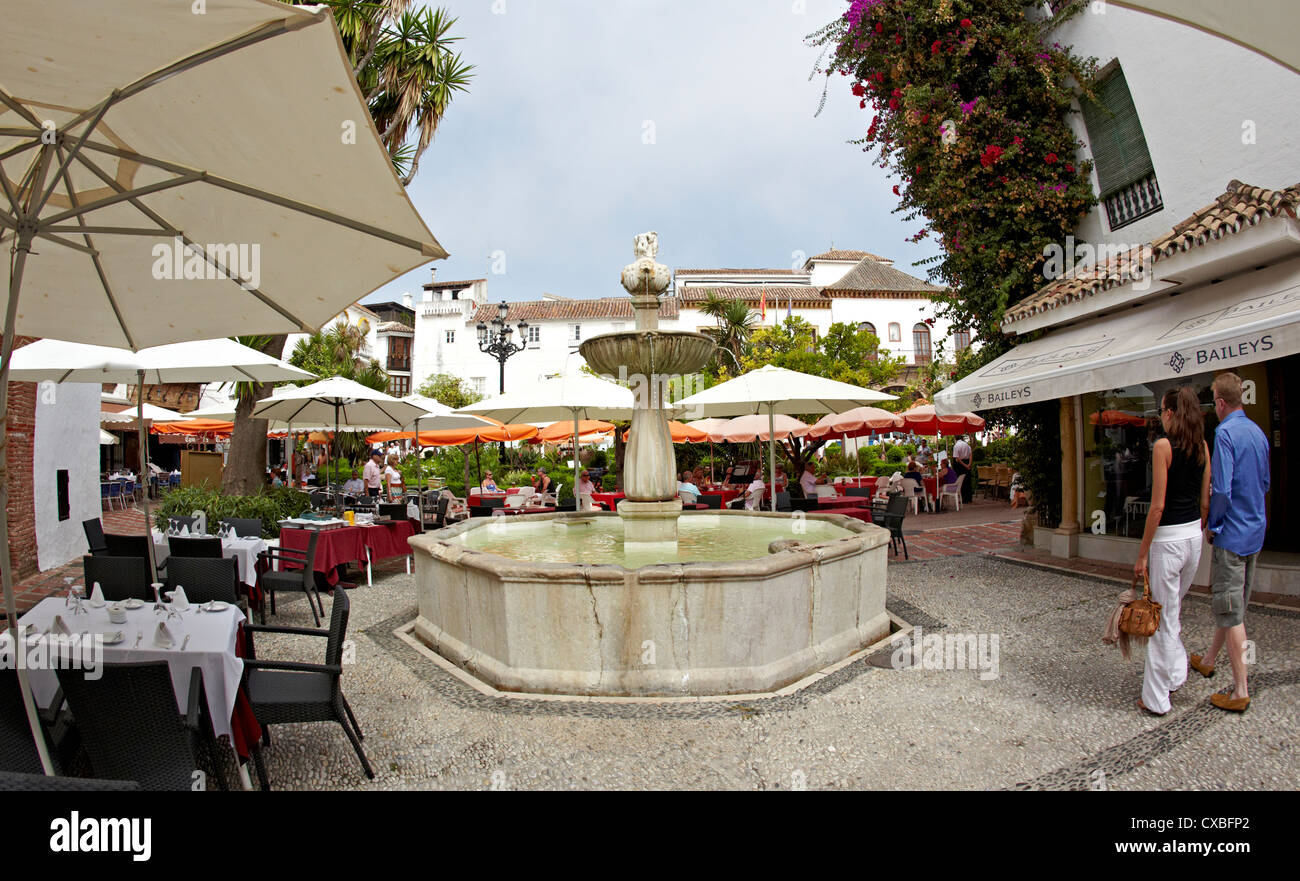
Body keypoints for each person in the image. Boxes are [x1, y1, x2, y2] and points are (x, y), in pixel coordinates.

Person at [1191, 372, 1270, 713]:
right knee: (1232, 604)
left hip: (1232, 533)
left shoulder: (1224, 434)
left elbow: (1220, 489)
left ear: (1220, 403)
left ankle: (1239, 690)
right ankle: (1209, 659)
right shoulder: (1257, 432)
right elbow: (1264, 481)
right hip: (1255, 530)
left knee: (1231, 610)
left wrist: (1214, 524)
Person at [1133, 386, 1211, 716]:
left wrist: (1142, 554)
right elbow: (1205, 500)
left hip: (1168, 541)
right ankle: (1176, 674)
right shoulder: (1203, 447)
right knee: (1172, 612)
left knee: (1162, 619)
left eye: (1162, 410)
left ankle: (1156, 697)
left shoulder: (1163, 447)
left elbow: (1158, 506)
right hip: (1193, 534)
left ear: (1169, 413)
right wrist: (1197, 531)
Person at [952, 435, 974, 503]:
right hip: (967, 462)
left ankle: (964, 498)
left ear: (955, 439)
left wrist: (964, 465)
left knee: (961, 481)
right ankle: (969, 498)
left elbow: (957, 458)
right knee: (968, 481)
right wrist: (969, 464)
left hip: (960, 464)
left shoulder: (956, 446)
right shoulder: (967, 445)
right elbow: (970, 455)